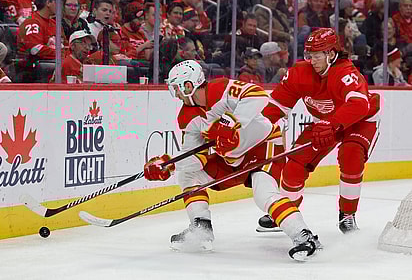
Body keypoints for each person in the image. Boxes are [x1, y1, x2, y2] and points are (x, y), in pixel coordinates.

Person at [143, 59, 321, 261]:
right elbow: (194, 155)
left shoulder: (220, 88)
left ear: (188, 85)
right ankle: (201, 228)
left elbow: (258, 95)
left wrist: (232, 122)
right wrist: (170, 166)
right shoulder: (187, 117)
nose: (175, 94)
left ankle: (304, 237)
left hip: (262, 145)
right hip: (231, 157)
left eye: (177, 88)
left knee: (264, 194)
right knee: (188, 174)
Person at [262, 28, 380, 234]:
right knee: (295, 164)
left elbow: (359, 104)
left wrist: (332, 124)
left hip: (360, 121)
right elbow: (277, 106)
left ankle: (348, 216)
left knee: (350, 154)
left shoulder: (345, 72)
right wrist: (256, 127)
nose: (312, 60)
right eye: (309, 55)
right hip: (326, 123)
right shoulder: (300, 72)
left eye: (316, 56)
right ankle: (286, 213)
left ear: (331, 54)